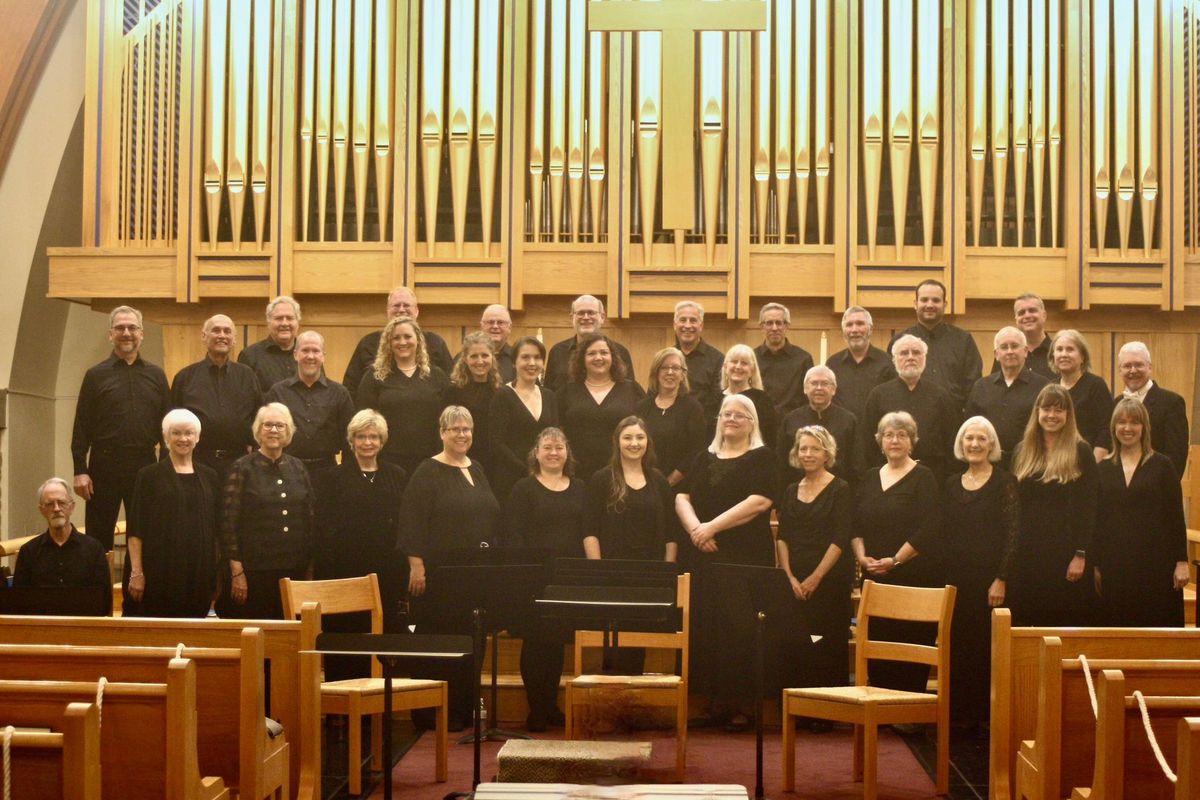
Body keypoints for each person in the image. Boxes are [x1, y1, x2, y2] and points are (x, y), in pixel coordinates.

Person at [675, 394, 778, 731]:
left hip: (743, 556)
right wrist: (695, 530)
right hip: (704, 554)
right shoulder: (703, 457)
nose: (730, 419)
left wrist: (711, 527)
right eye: (725, 414)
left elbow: (759, 502)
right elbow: (681, 495)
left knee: (740, 627)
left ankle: (742, 707)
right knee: (708, 625)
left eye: (739, 414)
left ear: (752, 422)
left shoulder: (763, 457)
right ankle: (713, 704)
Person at [400, 406, 501, 730]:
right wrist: (416, 565)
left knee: (471, 641)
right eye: (454, 429)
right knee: (442, 642)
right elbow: (412, 521)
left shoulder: (478, 468)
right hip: (441, 576)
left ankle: (462, 710)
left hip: (475, 576)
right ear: (442, 433)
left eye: (466, 429)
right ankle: (433, 713)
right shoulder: (427, 471)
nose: (461, 435)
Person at [851, 411, 942, 693]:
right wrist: (861, 556)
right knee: (878, 643)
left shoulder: (924, 477)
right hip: (875, 575)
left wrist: (895, 560)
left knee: (909, 645)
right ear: (880, 441)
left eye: (902, 435)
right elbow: (855, 524)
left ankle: (907, 710)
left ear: (912, 441)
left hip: (912, 575)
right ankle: (879, 704)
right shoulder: (868, 478)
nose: (895, 440)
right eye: (889, 435)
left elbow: (929, 528)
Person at [503, 427, 586, 731]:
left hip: (567, 580)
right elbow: (513, 535)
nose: (553, 452)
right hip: (533, 579)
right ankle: (536, 709)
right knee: (536, 644)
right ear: (536, 453)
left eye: (559, 447)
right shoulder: (523, 489)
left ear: (568, 453)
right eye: (547, 447)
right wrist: (524, 574)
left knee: (554, 645)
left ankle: (550, 705)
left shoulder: (580, 488)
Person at [71, 305, 170, 552]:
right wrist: (80, 470)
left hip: (145, 464)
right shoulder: (95, 375)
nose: (127, 333)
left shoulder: (156, 376)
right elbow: (81, 426)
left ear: (142, 333)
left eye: (132, 327)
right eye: (120, 328)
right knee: (97, 538)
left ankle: (140, 590)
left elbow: (167, 427)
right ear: (111, 334)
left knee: (146, 535)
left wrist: (165, 468)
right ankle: (100, 591)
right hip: (104, 465)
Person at [943, 416, 1018, 726]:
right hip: (957, 580)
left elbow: (1013, 533)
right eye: (969, 439)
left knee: (987, 649)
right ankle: (959, 716)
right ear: (961, 444)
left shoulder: (1004, 482)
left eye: (981, 439)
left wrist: (1001, 577)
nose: (974, 444)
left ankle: (987, 720)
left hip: (990, 580)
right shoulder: (950, 484)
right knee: (958, 647)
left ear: (991, 445)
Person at [1009, 384, 1099, 626]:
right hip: (1027, 554)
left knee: (1063, 620)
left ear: (1068, 415)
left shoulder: (1081, 451)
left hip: (1066, 553)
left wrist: (1081, 554)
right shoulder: (1022, 450)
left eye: (1059, 410)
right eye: (1046, 408)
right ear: (1037, 412)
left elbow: (1089, 507)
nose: (1051, 415)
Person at [1095, 398, 1190, 627]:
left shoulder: (1163, 465)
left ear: (1144, 427)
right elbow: (1097, 521)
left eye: (1134, 422)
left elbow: (1175, 516)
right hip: (1114, 562)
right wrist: (1095, 564)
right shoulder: (1103, 468)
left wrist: (1181, 561)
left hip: (1156, 562)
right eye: (1122, 422)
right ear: (1113, 428)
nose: (1127, 428)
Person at [217, 403, 315, 620]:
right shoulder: (241, 468)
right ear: (258, 430)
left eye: (280, 426)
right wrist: (237, 571)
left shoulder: (298, 467)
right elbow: (228, 523)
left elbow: (309, 519)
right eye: (268, 425)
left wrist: (309, 568)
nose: (273, 430)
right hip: (254, 573)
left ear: (288, 432)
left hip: (294, 570)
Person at [776, 426, 852, 702]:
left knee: (824, 642)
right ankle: (798, 705)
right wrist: (790, 577)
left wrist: (815, 578)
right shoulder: (790, 489)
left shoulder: (840, 489)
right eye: (803, 449)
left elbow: (840, 538)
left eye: (814, 449)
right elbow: (782, 536)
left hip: (828, 581)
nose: (807, 454)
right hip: (793, 581)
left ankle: (827, 708)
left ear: (827, 453)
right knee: (797, 643)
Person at [123, 409, 219, 618]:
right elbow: (135, 528)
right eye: (176, 433)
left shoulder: (210, 477)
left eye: (188, 433)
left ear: (197, 437)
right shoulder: (148, 475)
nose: (183, 439)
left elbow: (215, 530)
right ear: (166, 437)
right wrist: (137, 573)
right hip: (158, 572)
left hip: (197, 573)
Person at [316, 410, 409, 627]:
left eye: (373, 436)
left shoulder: (398, 475)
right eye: (361, 437)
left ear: (382, 441)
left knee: (385, 633)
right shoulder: (332, 477)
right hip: (346, 569)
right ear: (352, 441)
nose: (367, 442)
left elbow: (404, 522)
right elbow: (323, 527)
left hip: (387, 569)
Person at [264, 330, 355, 507]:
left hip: (327, 472)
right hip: (285, 470)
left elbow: (349, 440)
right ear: (295, 354)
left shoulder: (340, 393)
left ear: (323, 356)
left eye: (316, 351)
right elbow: (265, 436)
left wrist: (346, 475)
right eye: (305, 350)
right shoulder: (277, 392)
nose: (310, 356)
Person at [171, 315, 263, 484]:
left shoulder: (247, 376)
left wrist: (255, 453)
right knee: (200, 510)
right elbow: (171, 423)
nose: (222, 335)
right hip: (196, 461)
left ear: (234, 340)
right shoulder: (185, 377)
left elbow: (259, 416)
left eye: (227, 331)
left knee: (233, 511)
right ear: (204, 337)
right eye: (216, 330)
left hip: (238, 462)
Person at [356, 316, 451, 476]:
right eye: (396, 338)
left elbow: (447, 419)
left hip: (431, 461)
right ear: (389, 343)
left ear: (418, 340)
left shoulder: (437, 376)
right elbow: (364, 421)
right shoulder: (374, 377)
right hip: (387, 462)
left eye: (407, 336)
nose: (402, 342)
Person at [862, 334, 958, 481]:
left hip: (933, 476)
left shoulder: (941, 396)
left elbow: (951, 441)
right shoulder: (878, 395)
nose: (910, 357)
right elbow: (868, 443)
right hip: (889, 476)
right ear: (894, 360)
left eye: (916, 352)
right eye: (904, 353)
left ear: (925, 358)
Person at [583, 416, 676, 562]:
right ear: (617, 442)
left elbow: (671, 532)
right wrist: (597, 570)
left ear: (648, 442)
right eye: (627, 438)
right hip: (610, 570)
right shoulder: (601, 479)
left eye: (640, 437)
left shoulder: (659, 480)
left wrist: (668, 570)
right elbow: (590, 531)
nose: (634, 443)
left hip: (654, 570)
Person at [342, 286, 454, 402]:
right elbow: (351, 387)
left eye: (406, 305)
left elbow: (450, 385)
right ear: (387, 311)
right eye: (396, 305)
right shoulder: (368, 343)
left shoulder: (436, 343)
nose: (401, 310)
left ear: (416, 311)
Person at [558, 333, 646, 479]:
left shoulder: (632, 389)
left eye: (604, 352)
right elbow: (557, 431)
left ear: (613, 357)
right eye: (591, 353)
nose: (598, 358)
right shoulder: (567, 391)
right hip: (575, 474)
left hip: (621, 473)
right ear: (582, 359)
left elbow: (644, 430)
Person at [13, 478, 111, 604]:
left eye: (61, 503)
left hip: (83, 622)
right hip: (42, 622)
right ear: (41, 510)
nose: (56, 508)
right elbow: (20, 602)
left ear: (72, 507)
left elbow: (103, 600)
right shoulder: (28, 552)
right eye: (49, 504)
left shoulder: (94, 549)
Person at [964, 327, 1050, 466]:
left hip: (1030, 463)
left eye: (1015, 346)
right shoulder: (981, 386)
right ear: (996, 354)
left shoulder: (1043, 386)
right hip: (988, 463)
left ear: (1025, 351)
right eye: (1004, 347)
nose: (1010, 351)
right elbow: (969, 425)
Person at [891, 279, 982, 410]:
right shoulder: (899, 341)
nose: (930, 305)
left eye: (936, 300)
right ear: (915, 304)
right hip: (909, 418)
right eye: (924, 300)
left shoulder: (963, 340)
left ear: (944, 304)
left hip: (953, 419)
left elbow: (973, 386)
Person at [489, 336, 559, 502]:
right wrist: (529, 470)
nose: (532, 363)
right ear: (514, 362)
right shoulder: (502, 395)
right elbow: (496, 443)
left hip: (545, 478)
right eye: (525, 357)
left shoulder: (549, 396)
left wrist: (546, 468)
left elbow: (556, 436)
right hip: (511, 479)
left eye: (537, 358)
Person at [634, 347, 707, 487]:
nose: (670, 372)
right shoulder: (642, 407)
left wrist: (668, 483)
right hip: (643, 483)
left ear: (683, 374)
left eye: (675, 368)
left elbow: (696, 452)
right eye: (664, 367)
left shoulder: (693, 408)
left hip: (680, 486)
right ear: (656, 372)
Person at [1116, 341, 1189, 478]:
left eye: (1138, 365)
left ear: (1149, 367)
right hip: (1120, 490)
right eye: (1127, 366)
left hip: (1157, 490)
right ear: (1120, 370)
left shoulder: (1172, 403)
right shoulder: (1115, 404)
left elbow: (1176, 456)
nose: (1133, 370)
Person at [778, 366, 859, 485]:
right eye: (814, 383)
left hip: (838, 493)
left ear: (834, 389)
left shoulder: (848, 421)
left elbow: (856, 465)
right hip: (797, 491)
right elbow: (782, 464)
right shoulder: (790, 420)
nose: (819, 388)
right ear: (805, 388)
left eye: (825, 383)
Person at [544, 295, 634, 393]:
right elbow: (548, 395)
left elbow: (630, 394)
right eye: (580, 313)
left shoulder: (620, 352)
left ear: (602, 317)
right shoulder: (557, 352)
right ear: (572, 317)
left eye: (591, 312)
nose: (586, 317)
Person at [826, 305, 897, 424]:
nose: (854, 330)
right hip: (843, 433)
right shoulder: (833, 364)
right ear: (844, 331)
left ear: (870, 329)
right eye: (849, 325)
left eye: (860, 324)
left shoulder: (887, 362)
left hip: (875, 434)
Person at [1051, 329, 1113, 460]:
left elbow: (1106, 431)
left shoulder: (1096, 385)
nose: (1064, 354)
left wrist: (1093, 466)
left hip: (1087, 461)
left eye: (1070, 349)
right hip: (1055, 462)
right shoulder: (1050, 388)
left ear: (1082, 357)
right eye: (1059, 349)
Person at [445, 331, 500, 475]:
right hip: (462, 459)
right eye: (474, 356)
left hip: (494, 461)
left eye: (485, 355)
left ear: (492, 358)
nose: (480, 361)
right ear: (465, 359)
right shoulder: (453, 391)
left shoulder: (500, 390)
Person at [754, 302, 814, 416]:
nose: (774, 328)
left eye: (779, 323)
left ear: (787, 326)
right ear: (762, 326)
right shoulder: (752, 358)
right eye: (769, 323)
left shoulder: (803, 359)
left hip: (793, 424)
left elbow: (808, 398)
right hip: (759, 424)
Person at [672, 301, 724, 418]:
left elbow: (718, 401)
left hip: (705, 427)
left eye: (693, 321)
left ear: (701, 326)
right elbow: (655, 393)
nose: (687, 325)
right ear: (675, 325)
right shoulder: (665, 358)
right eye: (683, 320)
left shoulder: (717, 360)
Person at [719, 343, 778, 447]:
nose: (738, 367)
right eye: (734, 362)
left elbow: (770, 438)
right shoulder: (713, 399)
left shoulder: (762, 400)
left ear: (752, 370)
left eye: (744, 363)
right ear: (725, 367)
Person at [238, 295, 300, 391]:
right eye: (279, 318)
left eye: (290, 318)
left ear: (297, 322)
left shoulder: (310, 354)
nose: (284, 323)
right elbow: (245, 399)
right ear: (269, 322)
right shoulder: (250, 356)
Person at [991, 294, 1054, 379]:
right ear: (1016, 319)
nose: (1027, 316)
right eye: (1021, 313)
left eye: (1032, 310)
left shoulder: (1057, 353)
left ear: (1044, 315)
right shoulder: (1005, 353)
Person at [477, 304, 516, 382]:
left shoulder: (518, 359)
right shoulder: (465, 357)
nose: (495, 326)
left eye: (500, 322)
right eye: (490, 322)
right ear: (482, 326)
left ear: (509, 327)